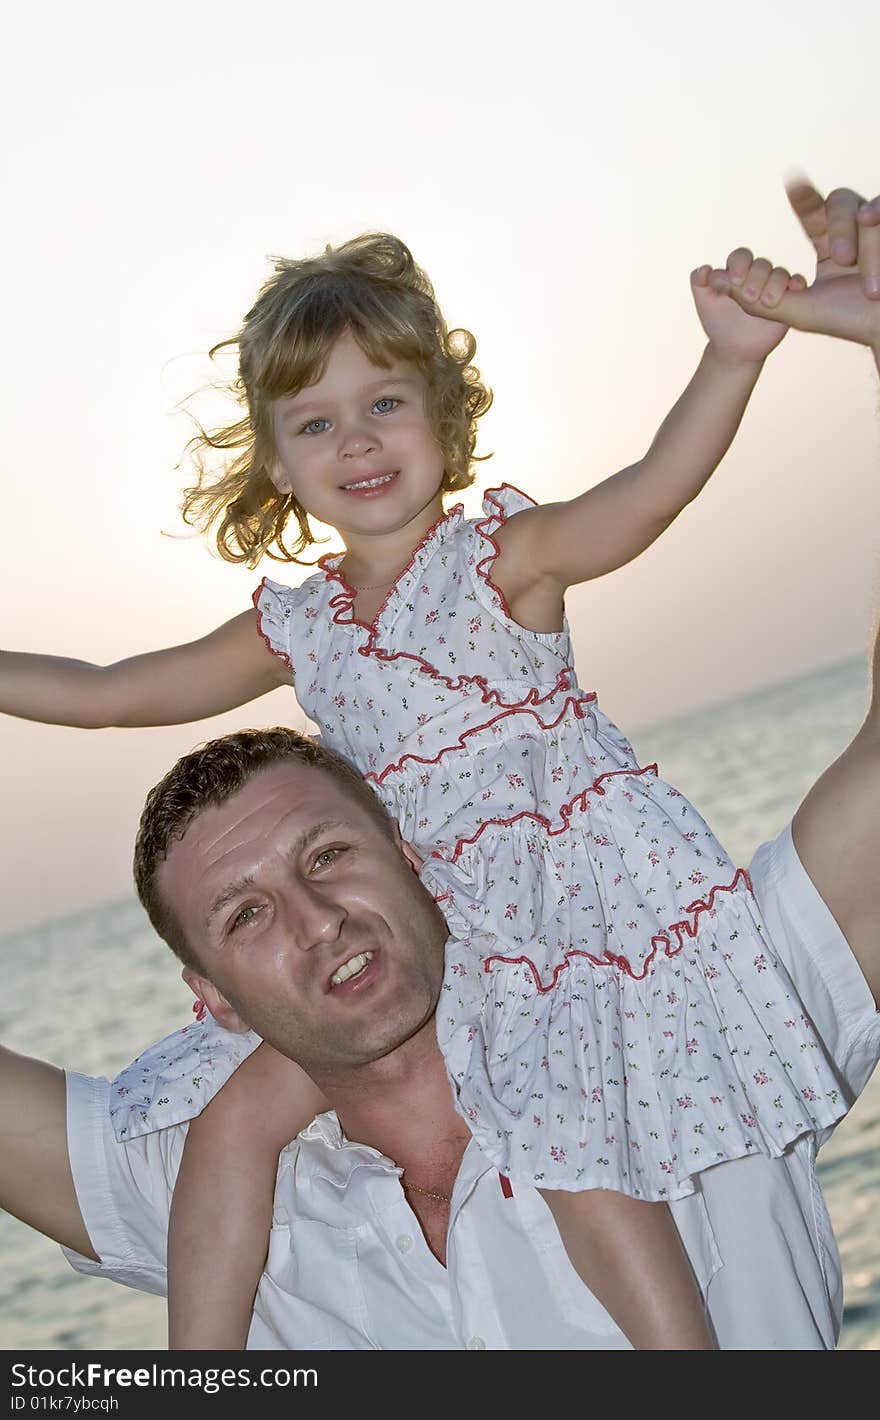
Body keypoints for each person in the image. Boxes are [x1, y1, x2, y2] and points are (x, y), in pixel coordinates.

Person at [0, 179, 877, 1351]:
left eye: (386, 401)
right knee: (228, 1126)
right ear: (273, 460)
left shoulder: (501, 561)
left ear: (445, 414)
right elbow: (112, 692)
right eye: (315, 422)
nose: (356, 439)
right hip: (443, 933)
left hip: (560, 927)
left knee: (570, 1142)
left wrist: (730, 362)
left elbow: (649, 496)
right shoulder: (295, 626)